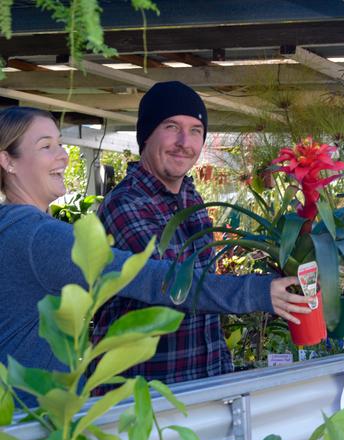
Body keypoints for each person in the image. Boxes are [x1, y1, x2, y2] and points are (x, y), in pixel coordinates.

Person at [0, 106, 308, 403]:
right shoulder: (40, 235)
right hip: (36, 419)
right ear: (7, 161)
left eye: (60, 143)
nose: (63, 156)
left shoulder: (13, 228)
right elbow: (149, 277)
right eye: (46, 146)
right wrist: (256, 292)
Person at [92, 81, 288, 387]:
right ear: (146, 135)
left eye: (196, 130)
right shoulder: (125, 204)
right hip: (144, 395)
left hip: (202, 384)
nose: (185, 141)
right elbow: (172, 285)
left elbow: (204, 290)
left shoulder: (190, 199)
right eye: (172, 126)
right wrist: (258, 292)